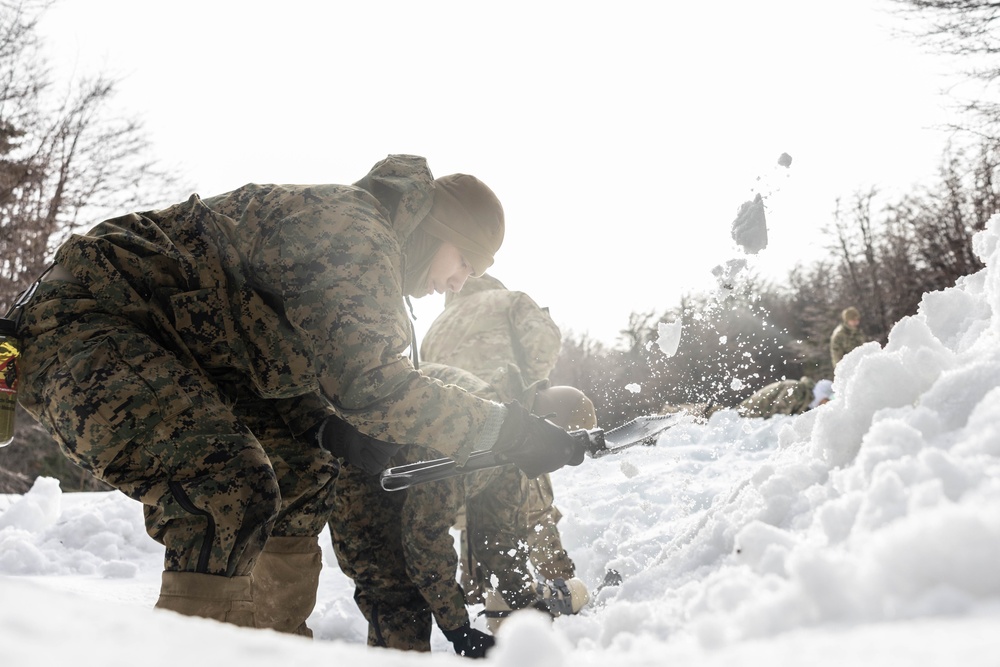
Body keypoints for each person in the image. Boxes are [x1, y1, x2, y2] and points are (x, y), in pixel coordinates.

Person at [9, 154, 588, 635]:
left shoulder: (367, 245)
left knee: (305, 473)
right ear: (439, 232)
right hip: (84, 321)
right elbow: (371, 386)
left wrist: (331, 428)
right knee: (226, 486)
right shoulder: (355, 230)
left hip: (163, 345)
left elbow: (268, 359)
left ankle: (272, 645)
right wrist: (507, 429)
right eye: (465, 261)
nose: (460, 283)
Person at [329, 361, 595, 658]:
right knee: (397, 598)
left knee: (412, 590)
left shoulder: (513, 448)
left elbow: (497, 535)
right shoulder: (474, 427)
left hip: (406, 476)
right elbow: (424, 536)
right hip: (362, 476)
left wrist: (525, 599)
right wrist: (458, 629)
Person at [418, 273, 587, 630]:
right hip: (506, 418)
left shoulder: (435, 327)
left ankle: (485, 597)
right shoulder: (508, 300)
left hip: (454, 430)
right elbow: (544, 339)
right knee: (530, 500)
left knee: (475, 508)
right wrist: (527, 392)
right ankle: (561, 588)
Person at [737, 376, 817, 419]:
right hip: (750, 409)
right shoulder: (796, 387)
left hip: (754, 411)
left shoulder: (802, 393)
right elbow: (779, 411)